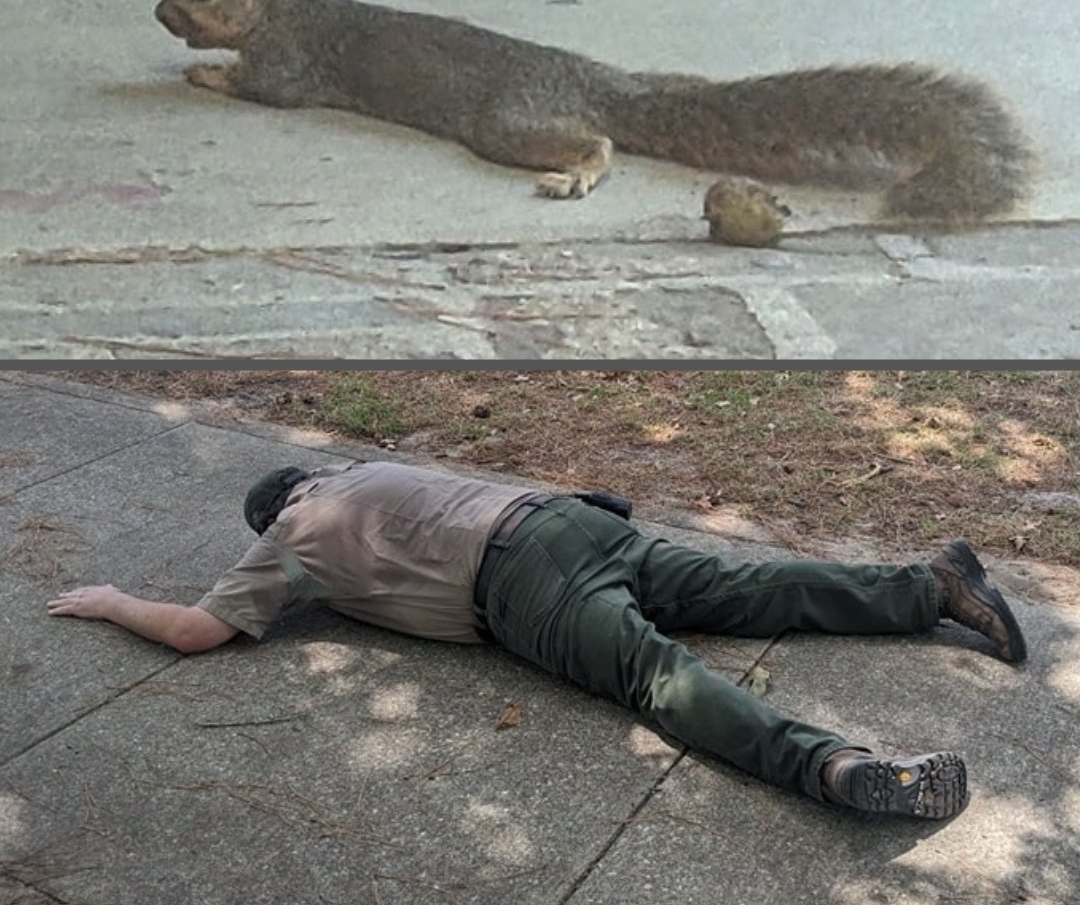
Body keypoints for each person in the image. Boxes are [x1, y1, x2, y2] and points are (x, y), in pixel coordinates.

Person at [47, 460, 1027, 820]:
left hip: (518, 582)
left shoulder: (291, 534)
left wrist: (108, 601)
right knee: (755, 586)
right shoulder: (368, 471)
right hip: (570, 519)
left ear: (272, 513)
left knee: (661, 681)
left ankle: (835, 771)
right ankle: (927, 585)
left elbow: (193, 631)